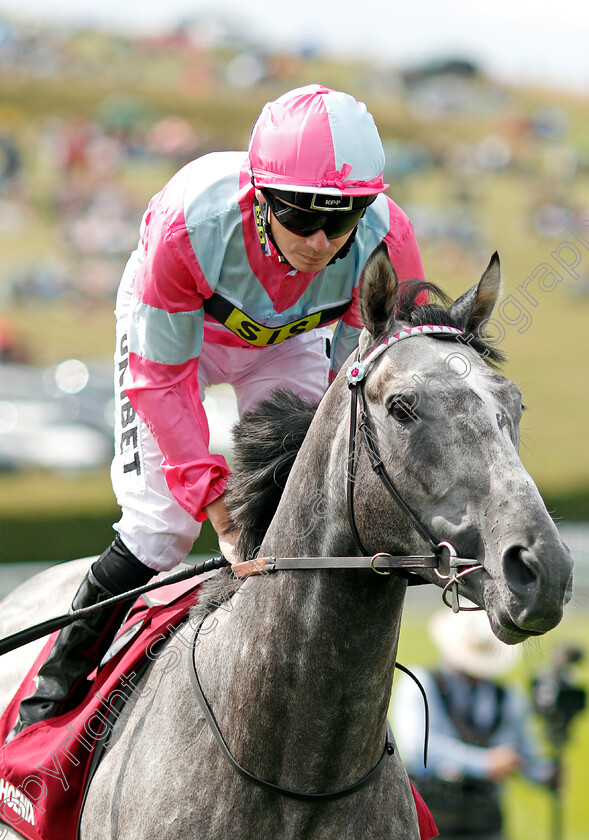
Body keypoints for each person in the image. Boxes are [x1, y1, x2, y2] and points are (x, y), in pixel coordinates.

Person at [7, 84, 425, 740]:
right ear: (259, 197)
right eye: (299, 216)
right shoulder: (189, 222)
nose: (319, 241)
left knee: (299, 505)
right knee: (162, 530)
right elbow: (161, 380)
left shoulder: (387, 240)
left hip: (285, 345)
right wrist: (214, 504)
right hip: (179, 344)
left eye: (341, 219)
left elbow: (375, 371)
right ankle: (55, 684)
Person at [390, 609, 556, 840]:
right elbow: (419, 750)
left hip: (486, 820)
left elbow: (524, 755)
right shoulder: (420, 684)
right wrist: (484, 763)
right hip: (431, 817)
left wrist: (547, 774)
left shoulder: (507, 696)